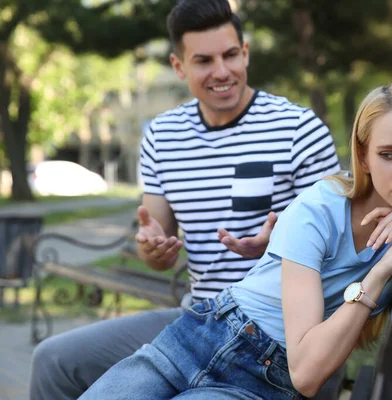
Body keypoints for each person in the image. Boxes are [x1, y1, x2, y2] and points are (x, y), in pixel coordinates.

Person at [79, 80, 392, 399]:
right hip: (200, 336)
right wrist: (381, 269)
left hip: (262, 381)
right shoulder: (321, 206)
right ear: (365, 158)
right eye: (389, 154)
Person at [29, 1, 340, 399]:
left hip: (279, 336)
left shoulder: (299, 129)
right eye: (204, 60)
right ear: (179, 67)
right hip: (195, 320)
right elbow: (157, 247)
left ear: (245, 53)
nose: (222, 71)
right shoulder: (163, 136)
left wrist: (286, 244)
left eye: (230, 55)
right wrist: (153, 248)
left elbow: (340, 244)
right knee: (53, 360)